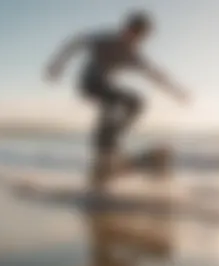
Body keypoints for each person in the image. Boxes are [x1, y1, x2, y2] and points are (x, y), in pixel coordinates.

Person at [43, 10, 190, 193]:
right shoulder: (105, 40)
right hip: (88, 83)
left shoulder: (133, 55)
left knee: (136, 102)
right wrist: (57, 65)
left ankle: (110, 146)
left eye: (139, 37)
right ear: (125, 28)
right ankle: (106, 146)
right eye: (132, 32)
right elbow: (76, 42)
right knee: (112, 102)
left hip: (104, 86)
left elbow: (155, 75)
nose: (133, 39)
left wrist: (177, 92)